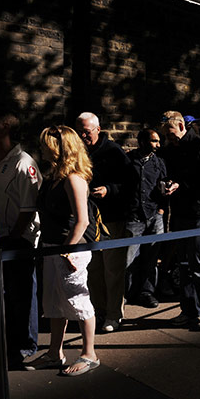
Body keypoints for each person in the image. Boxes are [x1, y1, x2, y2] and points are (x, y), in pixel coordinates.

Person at [27, 125, 100, 375]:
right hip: (52, 247)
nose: (41, 149)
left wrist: (68, 251)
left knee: (78, 300)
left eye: (45, 145)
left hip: (70, 249)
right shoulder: (54, 177)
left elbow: (83, 220)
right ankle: (54, 353)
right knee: (54, 302)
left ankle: (89, 353)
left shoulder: (73, 178)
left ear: (59, 148)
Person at [0, 109, 41, 367]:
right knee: (3, 296)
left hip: (17, 239)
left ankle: (24, 348)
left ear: (5, 126)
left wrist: (14, 237)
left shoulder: (23, 162)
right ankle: (6, 345)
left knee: (22, 294)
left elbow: (28, 208)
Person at [159, 111, 200, 330]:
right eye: (165, 135)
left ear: (181, 125)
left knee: (198, 262)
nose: (168, 138)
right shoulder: (170, 149)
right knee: (184, 263)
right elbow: (171, 174)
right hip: (181, 210)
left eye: (171, 133)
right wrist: (167, 183)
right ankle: (190, 310)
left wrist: (182, 186)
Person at [75, 112, 130, 333]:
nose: (82, 135)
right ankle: (98, 311)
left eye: (86, 131)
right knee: (93, 268)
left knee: (113, 270)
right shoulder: (79, 152)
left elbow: (130, 183)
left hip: (112, 218)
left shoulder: (114, 152)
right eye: (79, 131)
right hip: (88, 219)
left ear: (98, 129)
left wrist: (110, 189)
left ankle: (114, 314)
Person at [124, 128, 168, 309]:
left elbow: (165, 185)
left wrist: (161, 210)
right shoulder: (128, 160)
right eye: (154, 141)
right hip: (134, 215)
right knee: (128, 258)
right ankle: (127, 293)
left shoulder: (159, 162)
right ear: (142, 141)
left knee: (152, 257)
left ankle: (147, 291)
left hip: (154, 214)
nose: (158, 145)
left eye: (158, 141)